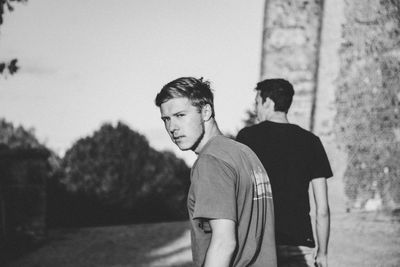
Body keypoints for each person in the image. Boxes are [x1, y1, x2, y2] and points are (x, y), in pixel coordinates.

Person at [155, 77, 277, 267]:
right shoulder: (245, 153)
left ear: (206, 111)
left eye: (180, 115)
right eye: (166, 119)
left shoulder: (211, 161)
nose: (172, 128)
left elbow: (224, 243)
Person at [236, 79, 333, 267]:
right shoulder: (311, 141)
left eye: (257, 102)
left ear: (268, 103)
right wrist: (322, 252)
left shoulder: (247, 138)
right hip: (300, 244)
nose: (256, 109)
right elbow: (322, 209)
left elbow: (237, 193)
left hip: (259, 245)